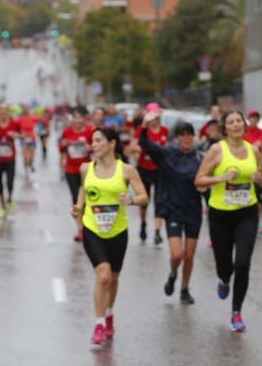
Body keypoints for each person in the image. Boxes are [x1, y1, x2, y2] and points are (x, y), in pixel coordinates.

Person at [70, 127, 148, 345]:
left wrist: (131, 200)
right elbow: (83, 192)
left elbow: (144, 197)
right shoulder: (86, 168)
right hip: (93, 229)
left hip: (117, 231)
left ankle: (110, 313)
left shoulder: (127, 171)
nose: (93, 145)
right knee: (102, 275)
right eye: (92, 141)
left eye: (98, 140)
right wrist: (77, 209)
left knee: (113, 278)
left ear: (112, 143)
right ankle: (98, 323)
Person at [194, 110, 262, 332]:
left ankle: (236, 312)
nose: (236, 124)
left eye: (239, 121)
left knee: (243, 263)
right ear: (224, 128)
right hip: (220, 215)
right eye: (231, 122)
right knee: (224, 263)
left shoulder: (253, 150)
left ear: (244, 126)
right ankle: (224, 278)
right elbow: (199, 179)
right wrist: (221, 178)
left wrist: (260, 179)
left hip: (247, 213)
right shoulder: (217, 150)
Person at [139, 115, 202, 304]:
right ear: (176, 138)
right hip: (173, 210)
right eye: (182, 135)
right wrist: (144, 125)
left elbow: (208, 182)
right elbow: (144, 143)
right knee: (177, 255)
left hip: (193, 212)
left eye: (189, 135)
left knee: (189, 257)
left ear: (193, 137)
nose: (185, 138)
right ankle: (173, 274)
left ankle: (184, 289)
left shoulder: (199, 159)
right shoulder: (167, 154)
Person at [133, 102, 169, 245]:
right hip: (144, 169)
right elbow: (133, 147)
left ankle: (157, 232)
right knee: (144, 201)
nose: (154, 118)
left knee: (159, 201)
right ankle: (143, 224)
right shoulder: (141, 131)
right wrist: (145, 149)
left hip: (159, 170)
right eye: (152, 114)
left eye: (157, 114)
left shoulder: (165, 130)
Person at [59, 108, 94, 242]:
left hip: (87, 170)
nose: (78, 120)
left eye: (80, 118)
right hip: (71, 170)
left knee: (88, 199)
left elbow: (97, 147)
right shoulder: (67, 132)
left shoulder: (89, 131)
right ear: (72, 119)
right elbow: (61, 149)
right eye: (75, 117)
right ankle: (80, 229)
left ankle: (88, 226)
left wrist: (90, 148)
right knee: (76, 199)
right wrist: (64, 144)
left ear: (84, 119)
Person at [244, 109, 262, 236]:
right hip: (244, 167)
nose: (254, 120)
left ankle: (258, 224)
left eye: (256, 117)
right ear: (248, 118)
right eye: (252, 117)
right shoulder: (244, 132)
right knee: (245, 195)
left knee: (258, 197)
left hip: (257, 168)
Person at [17, 108, 39, 174]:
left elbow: (40, 121)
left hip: (32, 138)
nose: (26, 111)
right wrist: (19, 134)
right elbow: (15, 127)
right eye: (24, 110)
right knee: (25, 156)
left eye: (27, 110)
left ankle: (30, 163)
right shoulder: (20, 119)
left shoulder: (33, 117)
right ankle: (26, 171)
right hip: (23, 138)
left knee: (32, 155)